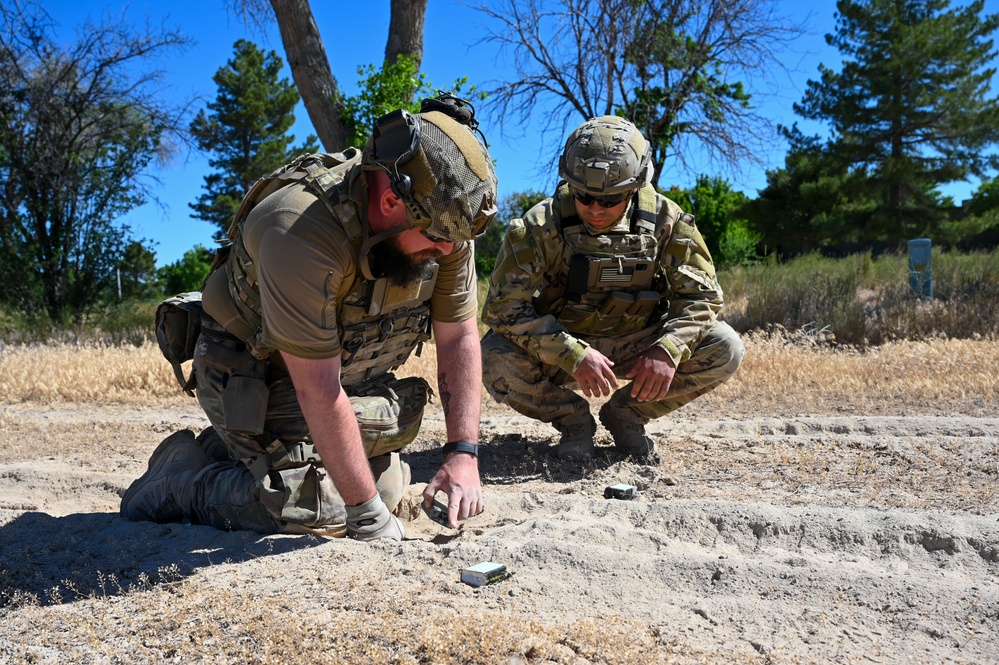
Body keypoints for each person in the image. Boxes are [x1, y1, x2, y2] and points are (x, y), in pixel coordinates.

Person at [121, 94, 498, 541]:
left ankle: (253, 456)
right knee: (318, 514)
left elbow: (459, 338)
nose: (449, 251)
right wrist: (368, 517)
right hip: (251, 375)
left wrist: (462, 455)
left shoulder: (445, 219)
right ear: (393, 202)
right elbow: (317, 389)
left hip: (339, 377)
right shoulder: (299, 231)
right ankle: (182, 478)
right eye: (439, 238)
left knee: (385, 484)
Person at [480, 116, 743, 461]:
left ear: (634, 188)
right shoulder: (539, 226)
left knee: (725, 345)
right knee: (491, 355)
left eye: (610, 200)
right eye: (584, 196)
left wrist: (669, 348)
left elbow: (702, 297)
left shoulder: (667, 221)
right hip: (562, 348)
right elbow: (503, 309)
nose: (594, 209)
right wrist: (571, 353)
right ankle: (573, 421)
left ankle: (627, 416)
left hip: (641, 345)